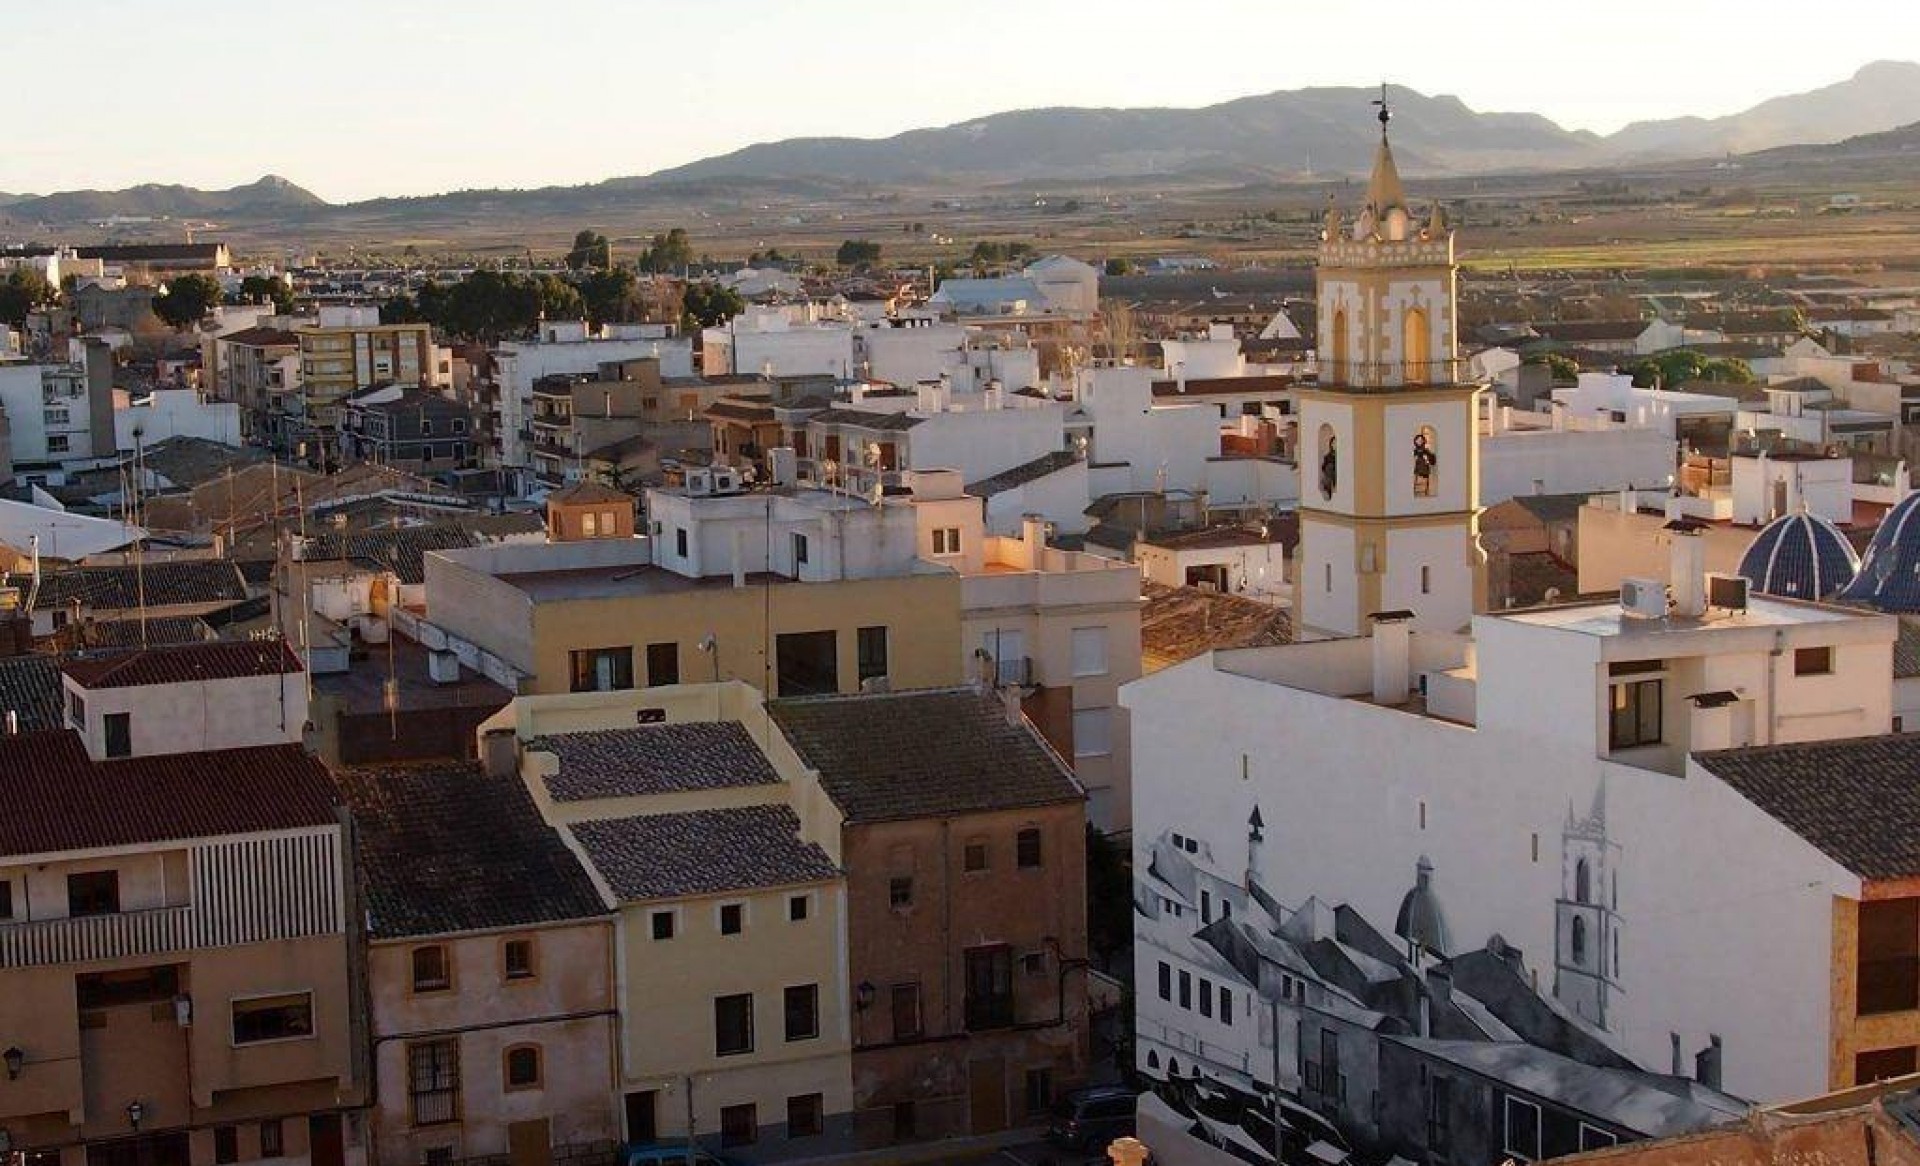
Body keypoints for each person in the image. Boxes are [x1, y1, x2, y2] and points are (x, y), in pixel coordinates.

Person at [1413, 431, 1437, 496]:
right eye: (1418, 440)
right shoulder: (1415, 450)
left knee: (1426, 459)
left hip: (1424, 466)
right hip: (1418, 466)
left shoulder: (1425, 450)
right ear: (1415, 441)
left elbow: (1430, 456)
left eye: (1421, 440)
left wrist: (1427, 459)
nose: (1420, 441)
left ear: (1423, 441)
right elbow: (1415, 456)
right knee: (1421, 460)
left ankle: (1426, 489)